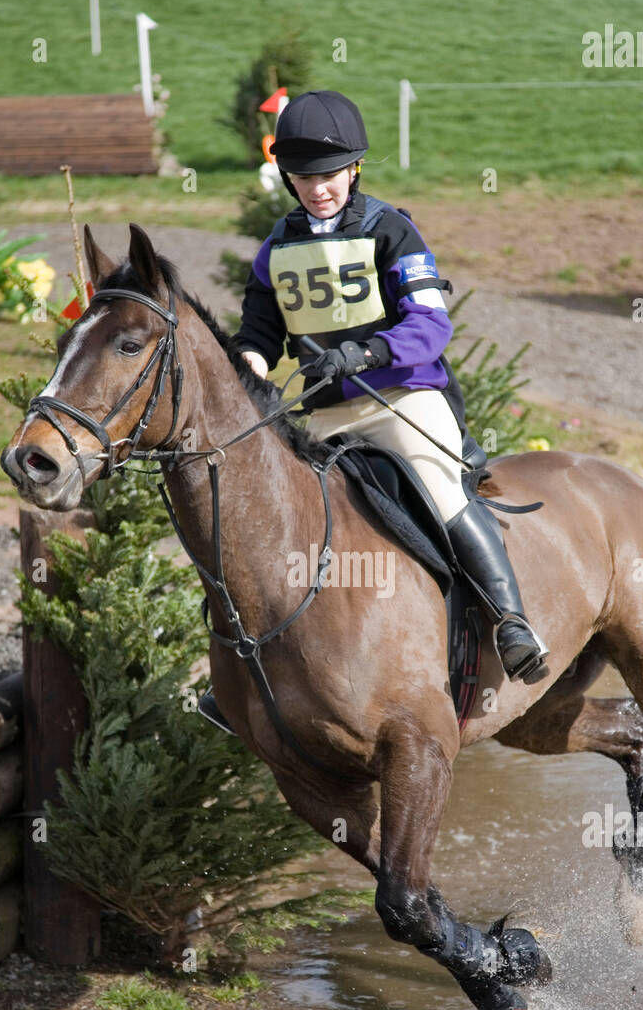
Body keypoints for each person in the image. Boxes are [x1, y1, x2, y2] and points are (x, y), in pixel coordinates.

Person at [227, 89, 548, 695]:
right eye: (302, 176)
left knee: (442, 494)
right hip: (324, 414)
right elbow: (260, 334)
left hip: (400, 399)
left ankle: (512, 623)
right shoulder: (276, 248)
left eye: (328, 174)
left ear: (353, 168)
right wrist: (247, 362)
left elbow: (430, 324)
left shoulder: (390, 230)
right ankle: (251, 675)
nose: (317, 187)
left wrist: (367, 353)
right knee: (271, 517)